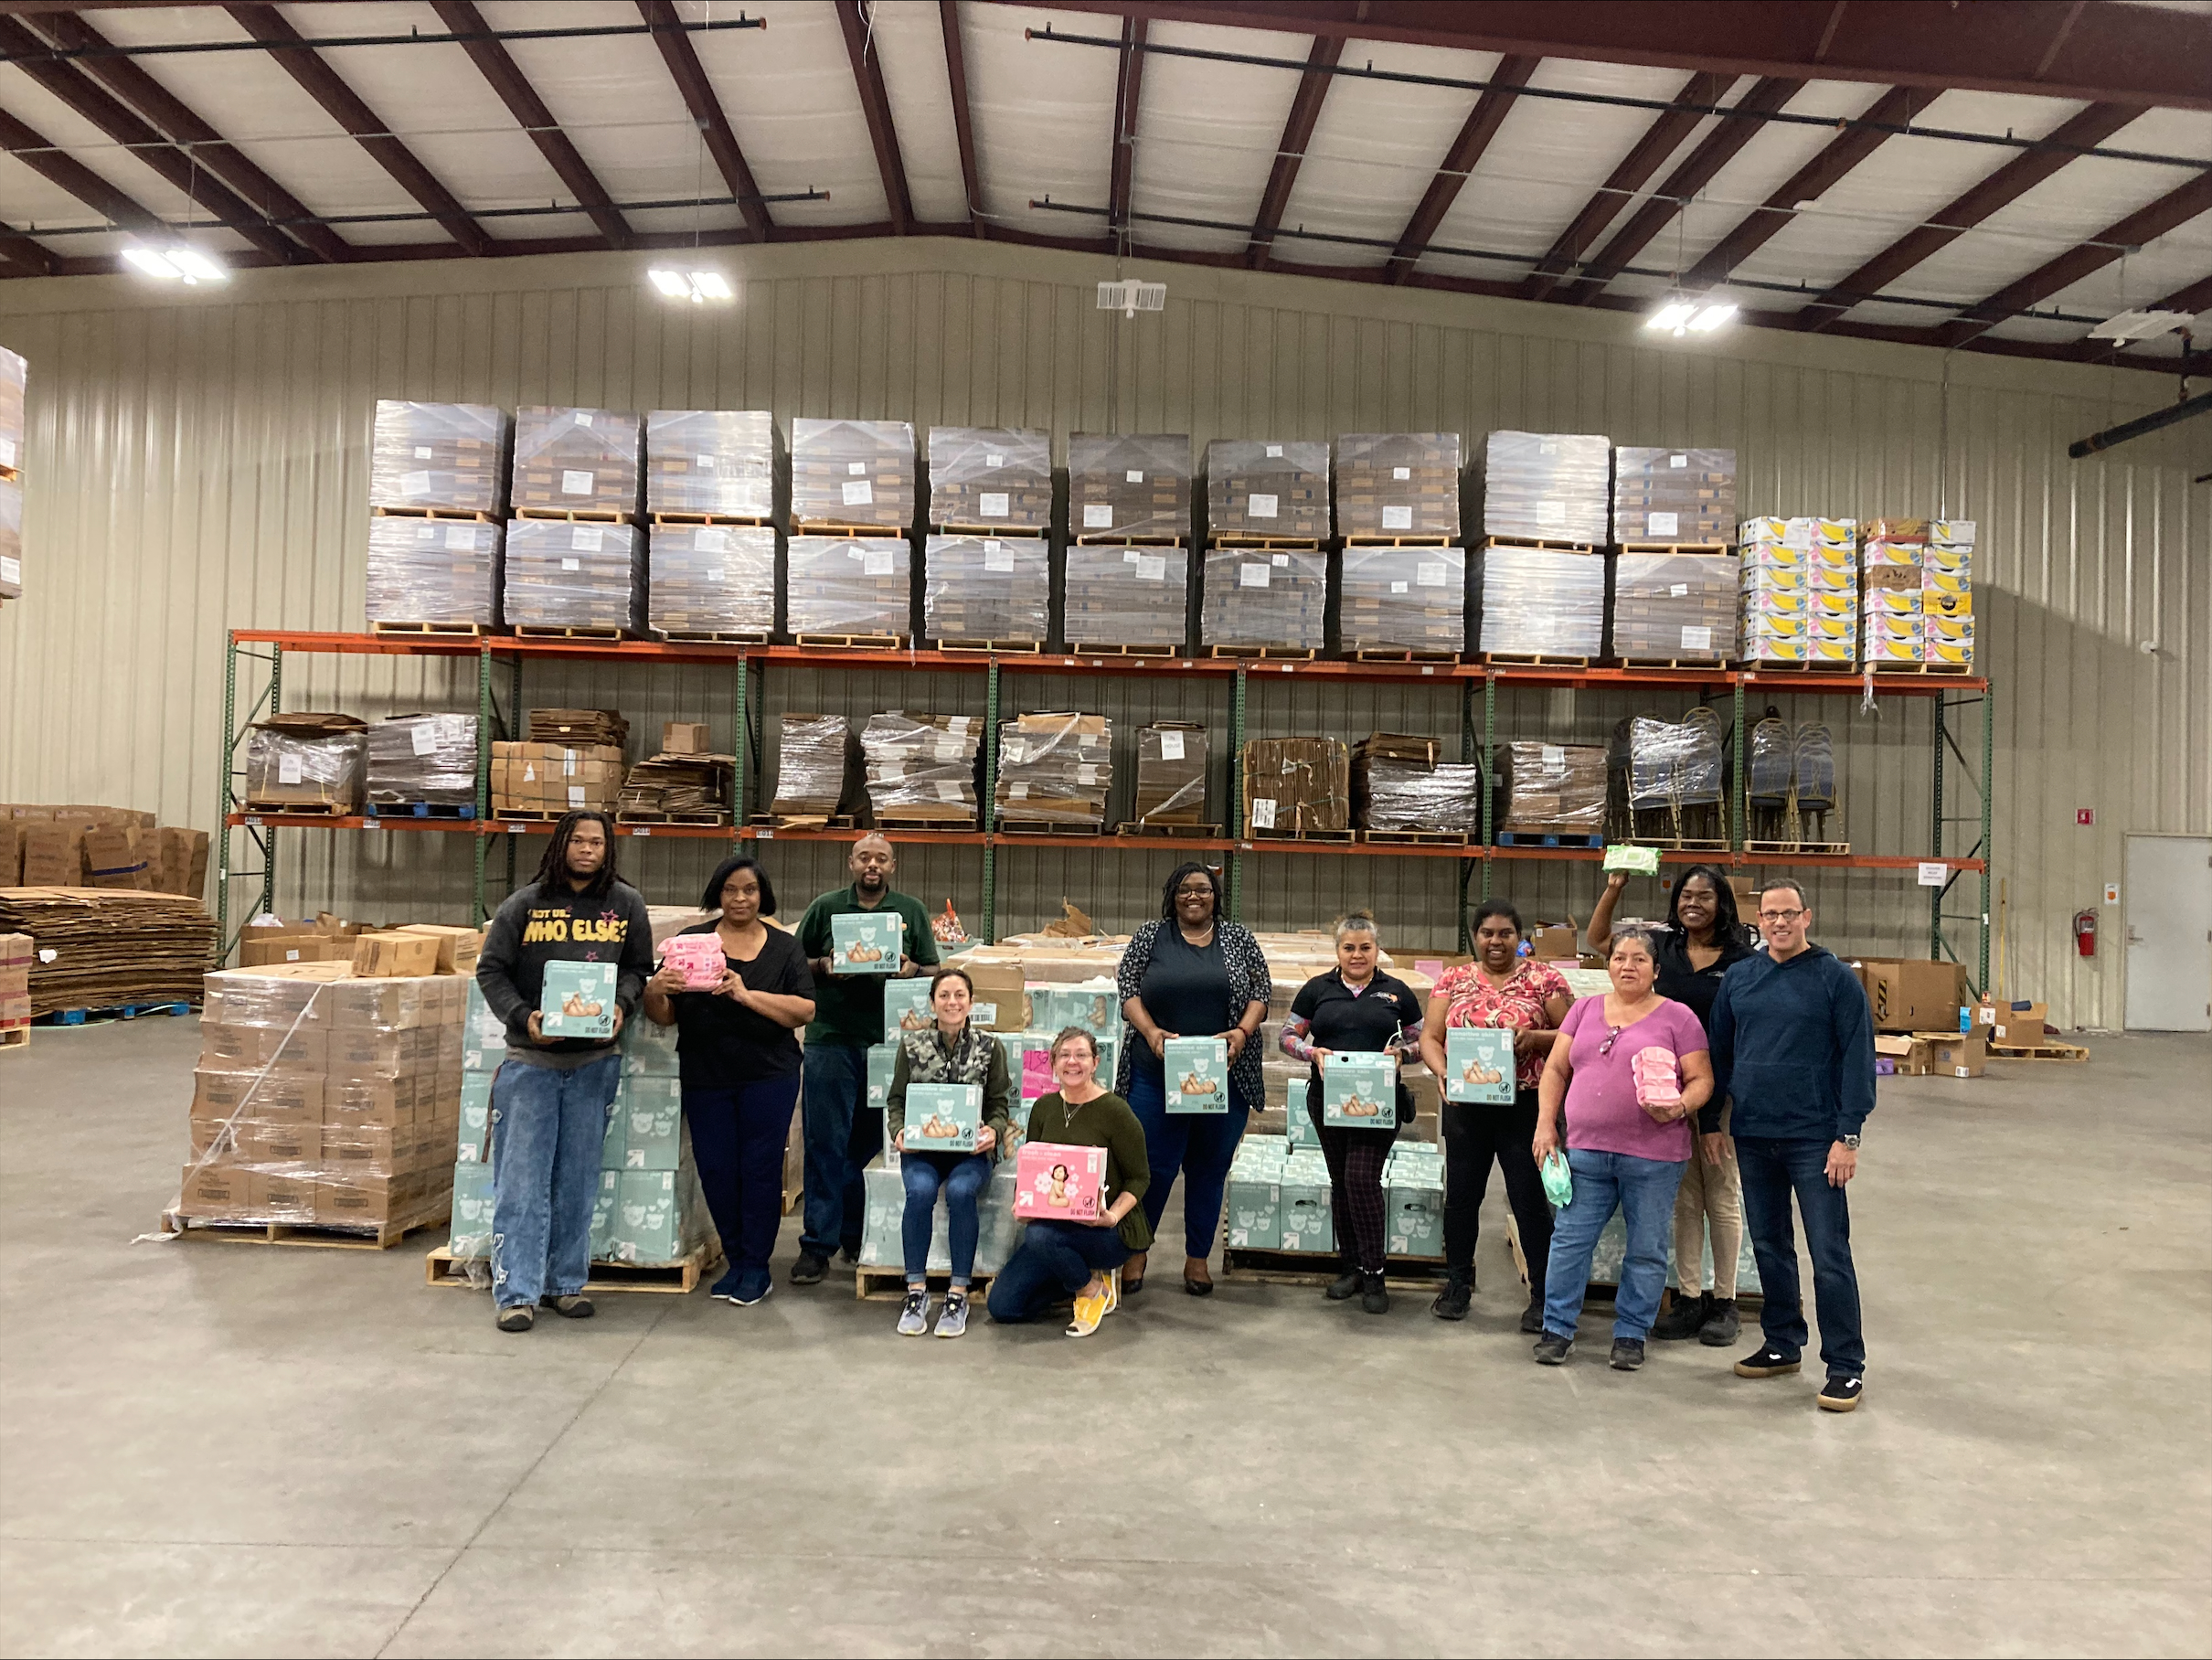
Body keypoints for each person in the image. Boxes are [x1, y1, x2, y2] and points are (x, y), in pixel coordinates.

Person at [474, 810, 654, 1334]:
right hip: (530, 1064)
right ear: (560, 845)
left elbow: (639, 968)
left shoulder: (626, 904)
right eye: (578, 840)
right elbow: (491, 969)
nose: (587, 849)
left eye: (597, 841)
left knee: (576, 1179)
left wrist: (622, 1005)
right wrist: (523, 1018)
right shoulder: (524, 905)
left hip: (596, 1063)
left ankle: (565, 1284)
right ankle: (516, 1292)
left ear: (608, 849)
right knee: (521, 1182)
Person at [1709, 878, 1877, 1413]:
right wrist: (1714, 1122)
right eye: (1769, 915)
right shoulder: (1740, 978)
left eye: (1788, 913)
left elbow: (1857, 1061)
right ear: (1759, 922)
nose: (1779, 923)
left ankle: (1846, 1366)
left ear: (1807, 916)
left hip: (1815, 1139)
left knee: (1829, 1254)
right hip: (1754, 1135)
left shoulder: (1835, 980)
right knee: (1770, 1247)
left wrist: (1847, 1136)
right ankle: (1783, 1342)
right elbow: (1719, 1056)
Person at [1586, 863, 1758, 1345]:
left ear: (1722, 902)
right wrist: (1614, 887)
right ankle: (1688, 1297)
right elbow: (1600, 938)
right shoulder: (1663, 949)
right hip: (1663, 1090)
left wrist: (1716, 1110)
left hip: (1720, 1088)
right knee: (1684, 1197)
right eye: (1685, 895)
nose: (1693, 904)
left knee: (1720, 1191)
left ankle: (1725, 1302)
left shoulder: (1743, 960)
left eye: (1704, 896)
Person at [1531, 926, 1715, 1371]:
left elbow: (1702, 1080)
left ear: (1655, 969)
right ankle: (1557, 1329)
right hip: (1587, 1152)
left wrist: (1680, 1107)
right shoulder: (1584, 1010)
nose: (1627, 966)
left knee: (1647, 1247)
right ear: (1608, 964)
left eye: (1639, 959)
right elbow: (1555, 1069)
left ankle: (1631, 1334)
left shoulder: (1678, 1018)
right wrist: (1545, 1125)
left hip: (1654, 1157)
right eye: (1619, 958)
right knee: (1571, 1241)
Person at [642, 857, 815, 1309]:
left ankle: (757, 1266)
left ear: (763, 895)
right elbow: (664, 1018)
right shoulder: (688, 945)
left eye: (750, 890)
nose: (741, 898)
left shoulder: (783, 947)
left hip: (768, 1076)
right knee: (717, 1168)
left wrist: (743, 994)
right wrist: (656, 989)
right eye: (731, 890)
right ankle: (736, 1259)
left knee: (758, 1170)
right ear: (717, 895)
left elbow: (804, 1010)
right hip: (706, 1075)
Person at [791, 835, 941, 1285]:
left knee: (871, 1147)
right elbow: (794, 965)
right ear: (851, 863)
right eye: (863, 857)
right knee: (825, 1143)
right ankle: (818, 1244)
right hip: (831, 1040)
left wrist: (912, 970)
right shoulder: (825, 908)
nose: (871, 864)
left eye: (880, 858)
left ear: (892, 866)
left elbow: (935, 972)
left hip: (891, 1045)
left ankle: (858, 1237)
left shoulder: (910, 911)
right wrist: (824, 967)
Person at [1114, 863, 1271, 1295]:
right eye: (1185, 889)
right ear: (1173, 895)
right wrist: (1150, 1032)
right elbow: (1127, 989)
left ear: (1216, 895)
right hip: (1155, 1074)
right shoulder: (1149, 936)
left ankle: (1197, 1259)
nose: (1194, 896)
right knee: (1151, 1167)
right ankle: (1137, 1251)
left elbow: (1262, 991)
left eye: (1203, 889)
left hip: (1225, 1078)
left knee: (1208, 1168)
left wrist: (1240, 1034)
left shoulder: (1238, 939)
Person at [1420, 899, 1571, 1330]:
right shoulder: (1453, 980)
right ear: (1475, 937)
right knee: (1463, 1197)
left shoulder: (1546, 979)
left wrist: (1536, 1037)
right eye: (1487, 933)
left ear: (1520, 938)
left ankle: (1542, 1294)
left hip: (1525, 1105)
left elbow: (1571, 1036)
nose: (1496, 941)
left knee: (1528, 1199)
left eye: (1506, 933)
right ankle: (1458, 1282)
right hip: (1467, 1105)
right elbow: (1431, 1036)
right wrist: (1443, 1070)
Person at [1281, 912, 1426, 1315]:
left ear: (1377, 949)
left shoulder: (1397, 992)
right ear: (1338, 951)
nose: (1358, 955)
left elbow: (1423, 1040)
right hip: (1328, 1101)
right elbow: (1287, 1036)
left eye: (1366, 947)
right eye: (1349, 948)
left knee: (1362, 1177)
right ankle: (1351, 1267)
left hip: (1380, 1104)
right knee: (1341, 1181)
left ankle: (1375, 1272)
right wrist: (1312, 1052)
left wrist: (1403, 1055)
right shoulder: (1317, 990)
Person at [985, 1027, 1152, 1337]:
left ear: (1095, 1062)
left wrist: (1112, 1216)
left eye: (1081, 1055)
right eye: (1064, 1055)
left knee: (1037, 1236)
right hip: (1053, 1228)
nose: (1072, 1062)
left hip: (1107, 1232)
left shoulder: (1116, 1111)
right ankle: (1079, 1278)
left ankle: (1092, 1290)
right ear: (1052, 1063)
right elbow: (1033, 1168)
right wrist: (1022, 1202)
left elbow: (1140, 1177)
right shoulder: (1044, 1108)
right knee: (1003, 1307)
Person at [884, 965, 1012, 1339]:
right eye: (944, 996)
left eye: (959, 996)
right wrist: (898, 1131)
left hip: (971, 1152)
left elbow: (1000, 1104)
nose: (952, 1002)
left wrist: (994, 1130)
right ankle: (916, 1291)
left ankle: (958, 1292)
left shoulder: (991, 1047)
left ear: (971, 1002)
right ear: (932, 1003)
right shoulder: (912, 1046)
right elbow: (895, 1100)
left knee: (960, 1192)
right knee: (920, 1192)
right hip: (924, 1150)